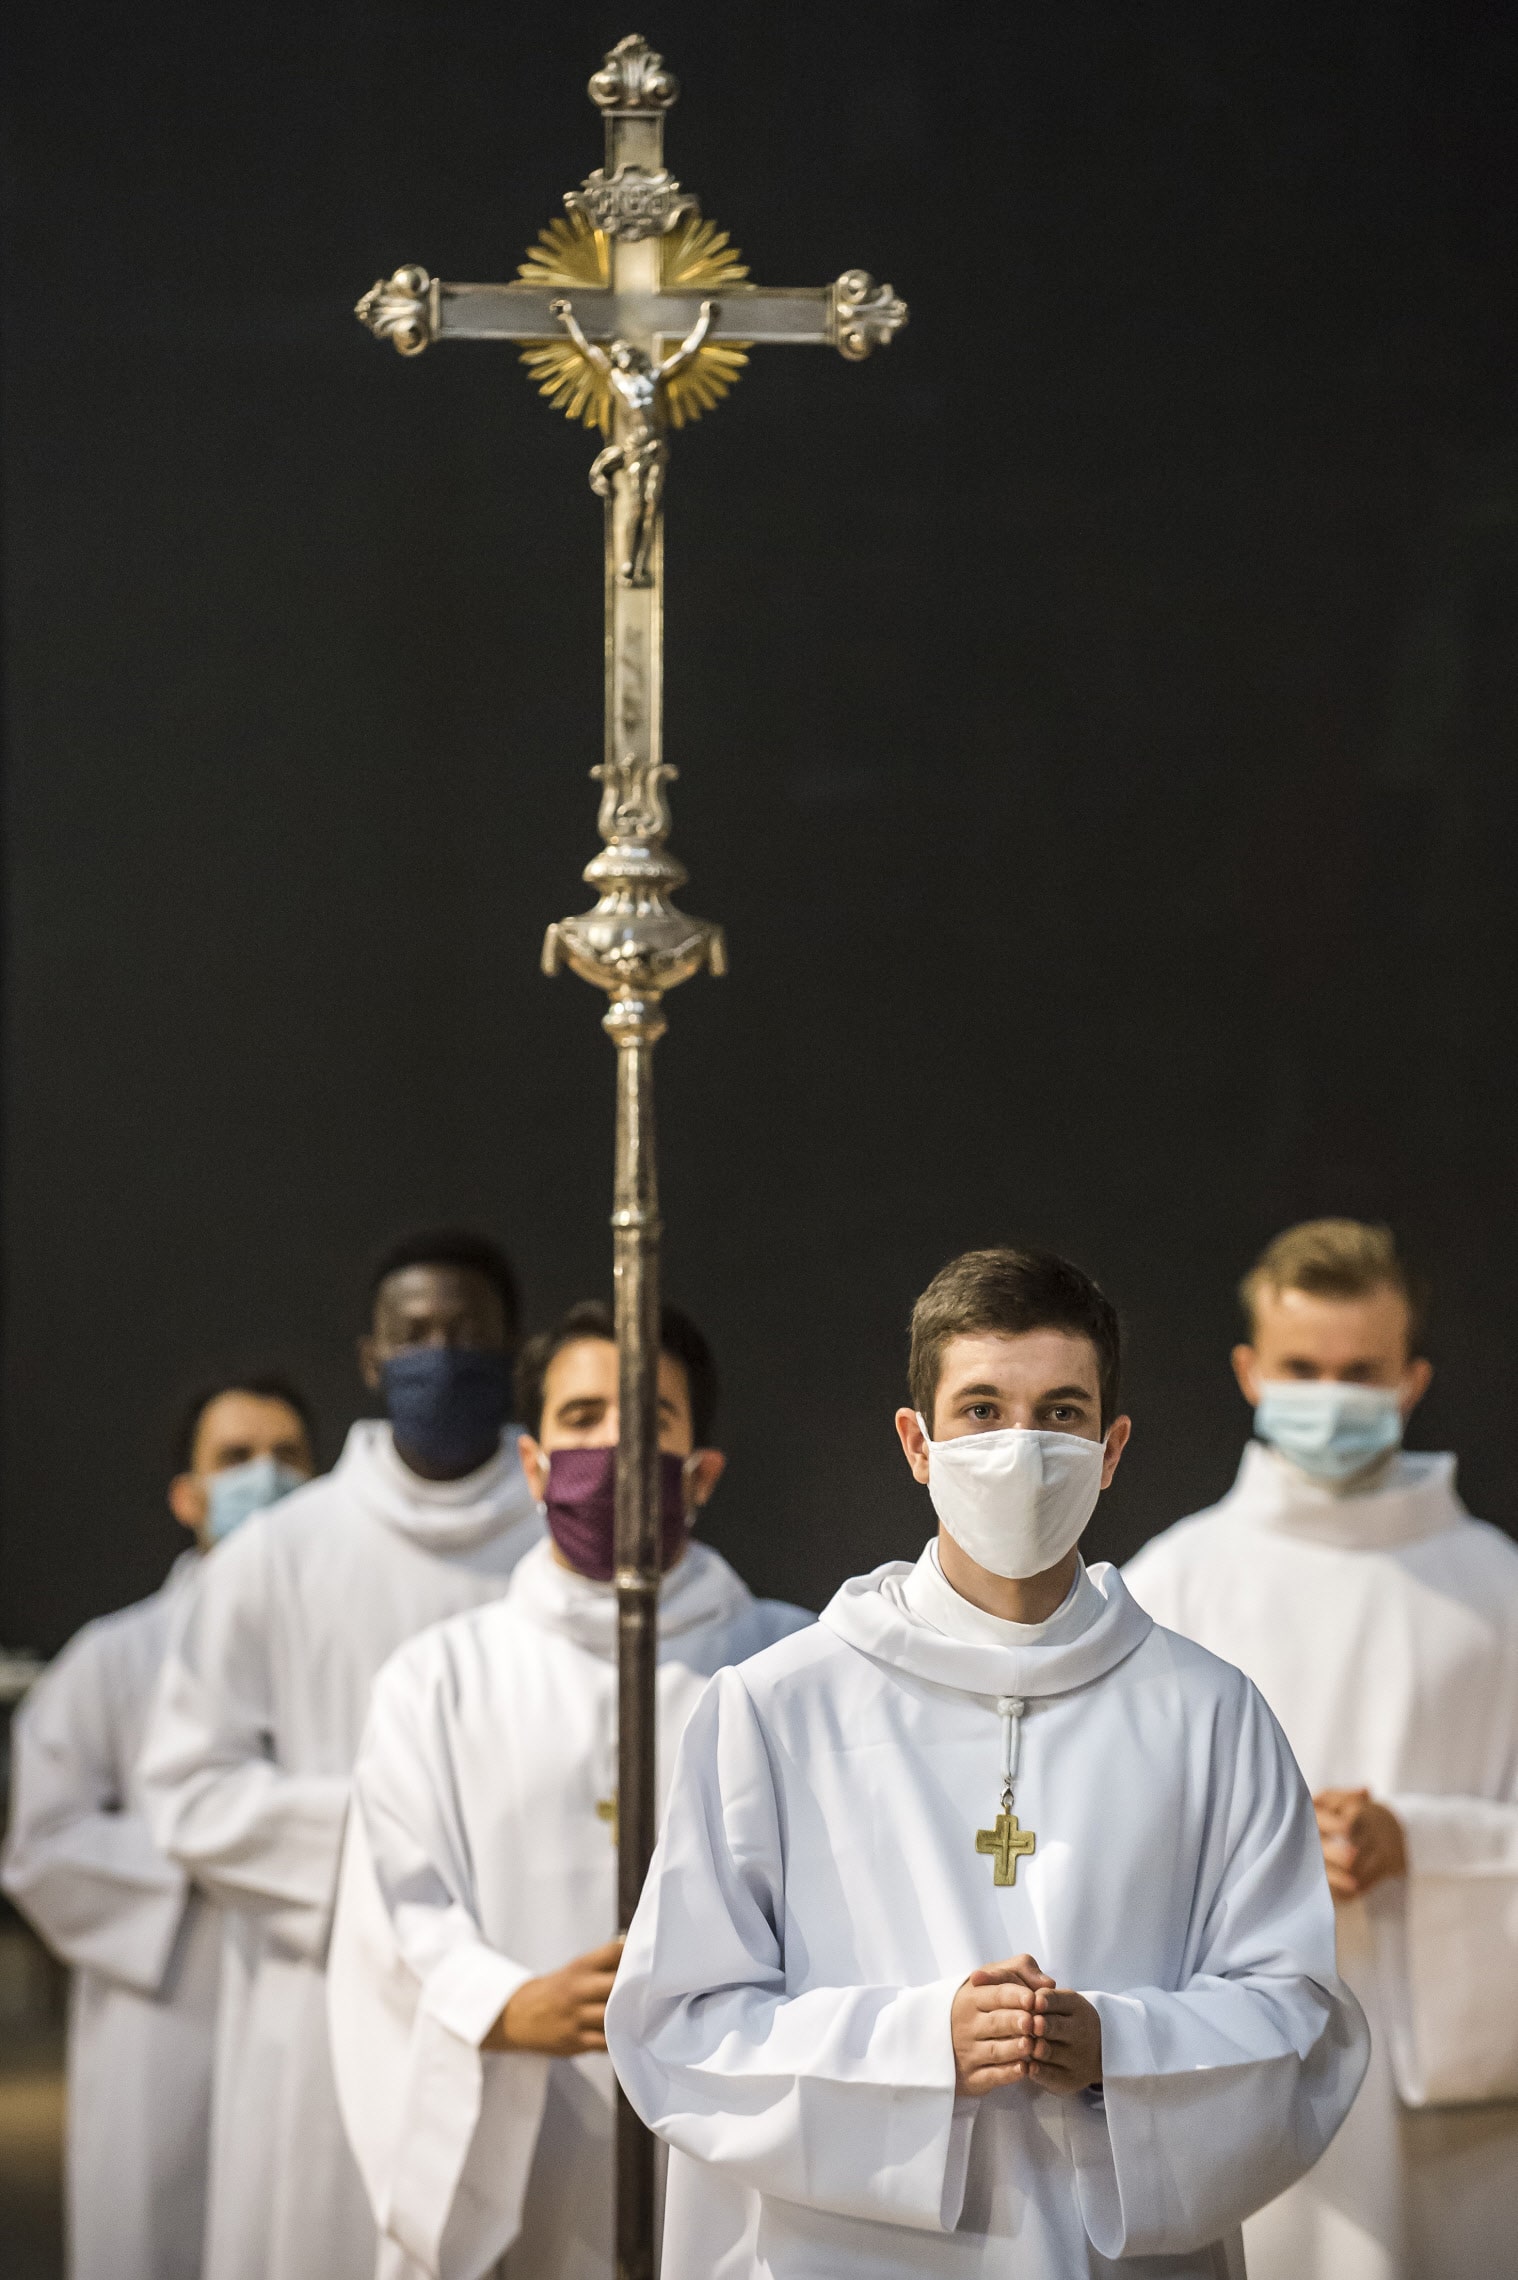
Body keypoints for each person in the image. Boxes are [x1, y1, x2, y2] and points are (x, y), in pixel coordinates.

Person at [606, 1245, 1369, 2280]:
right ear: (916, 1443)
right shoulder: (776, 1708)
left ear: (1111, 1448)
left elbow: (1303, 2024)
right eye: (981, 1411)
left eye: (1060, 1412)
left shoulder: (1210, 1714)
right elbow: (679, 2026)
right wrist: (925, 2048)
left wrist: (1118, 2048)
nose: (1020, 1449)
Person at [326, 1299, 811, 2280]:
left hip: (733, 2140)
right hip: (529, 2122)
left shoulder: (793, 1665)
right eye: (583, 1418)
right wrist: (504, 2005)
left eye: (651, 1419)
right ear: (535, 1464)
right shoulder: (440, 1679)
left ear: (702, 1472)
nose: (615, 1442)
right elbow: (394, 1907)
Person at [140, 1231, 542, 2280]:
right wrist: (396, 1849)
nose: (440, 1354)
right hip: (320, 2002)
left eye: (468, 1333)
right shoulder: (279, 1554)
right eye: (415, 1335)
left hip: (534, 1982)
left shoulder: (563, 1549)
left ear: (516, 1352)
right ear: (371, 1356)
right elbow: (187, 1786)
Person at [1123, 1219, 1518, 2280]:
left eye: (1361, 1372)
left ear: (1413, 1379)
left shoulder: (1497, 1588)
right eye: (1303, 1368)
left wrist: (1418, 1847)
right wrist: (1268, 1849)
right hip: (1240, 2066)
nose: (1331, 1396)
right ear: (1250, 1371)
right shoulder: (1173, 1584)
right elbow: (1107, 1832)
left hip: (1445, 2103)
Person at [2, 1374, 316, 2280]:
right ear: (187, 1495)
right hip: (164, 2015)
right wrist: (208, 1846)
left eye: (286, 1456)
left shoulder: (351, 1651)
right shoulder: (114, 1657)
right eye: (235, 1458)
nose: (265, 1475)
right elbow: (41, 1847)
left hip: (309, 2008)